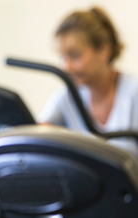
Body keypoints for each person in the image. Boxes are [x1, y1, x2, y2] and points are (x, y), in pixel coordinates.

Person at [38, 6, 138, 157]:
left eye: (74, 56)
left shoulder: (133, 93)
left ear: (104, 51)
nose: (66, 67)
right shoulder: (68, 96)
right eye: (62, 57)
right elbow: (39, 131)